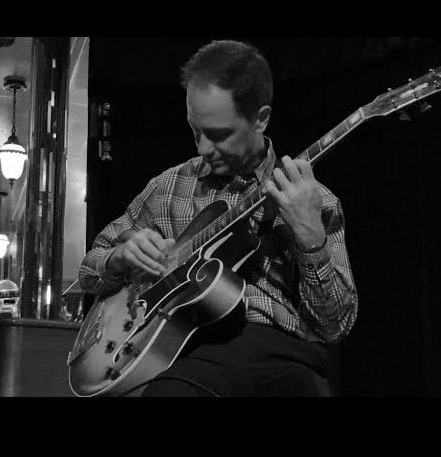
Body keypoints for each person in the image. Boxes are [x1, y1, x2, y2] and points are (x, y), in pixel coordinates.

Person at [78, 40, 358, 397]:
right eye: (196, 130)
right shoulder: (169, 187)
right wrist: (119, 257)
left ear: (261, 119)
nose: (202, 148)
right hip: (183, 347)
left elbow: (333, 328)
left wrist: (310, 238)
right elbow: (88, 271)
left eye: (219, 135)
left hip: (275, 351)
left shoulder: (314, 201)